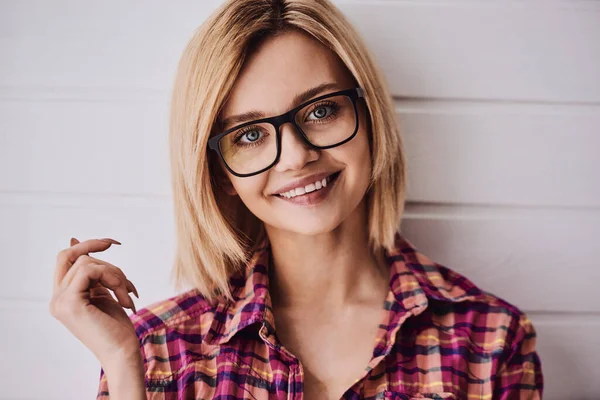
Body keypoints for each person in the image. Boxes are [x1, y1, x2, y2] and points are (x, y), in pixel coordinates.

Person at [49, 0, 544, 399]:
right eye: (248, 135)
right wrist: (122, 366)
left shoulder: (490, 340)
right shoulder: (156, 347)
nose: (296, 156)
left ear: (369, 121)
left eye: (321, 109)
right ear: (220, 173)